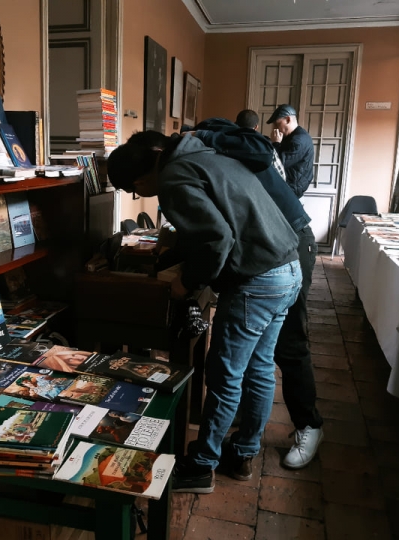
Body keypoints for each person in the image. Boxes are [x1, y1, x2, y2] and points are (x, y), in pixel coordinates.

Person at [107, 130, 302, 493]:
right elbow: (220, 223)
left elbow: (217, 239)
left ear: (140, 180)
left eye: (135, 192)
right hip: (288, 268)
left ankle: (200, 465)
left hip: (256, 280)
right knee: (259, 368)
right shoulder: (203, 153)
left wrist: (189, 282)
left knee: (225, 375)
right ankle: (243, 452)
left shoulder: (174, 177)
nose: (141, 197)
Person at [190, 114, 324, 469]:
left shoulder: (231, 152)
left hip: (287, 246)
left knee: (288, 345)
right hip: (281, 246)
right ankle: (246, 432)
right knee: (260, 359)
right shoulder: (247, 147)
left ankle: (308, 424)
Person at [267, 104, 315, 198]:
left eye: (277, 124)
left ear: (288, 120)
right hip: (289, 187)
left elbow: (278, 164)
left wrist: (276, 143)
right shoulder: (291, 136)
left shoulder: (298, 141)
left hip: (291, 191)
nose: (275, 128)